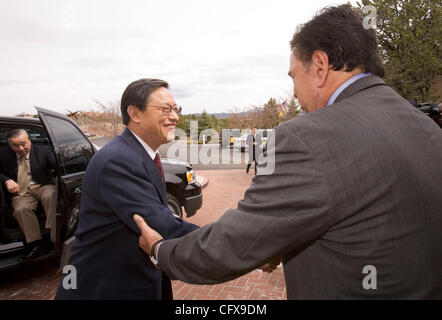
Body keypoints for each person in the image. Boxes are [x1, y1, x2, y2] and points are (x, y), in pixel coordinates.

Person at [133, 5, 442, 299]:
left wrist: (160, 250)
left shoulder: (304, 139)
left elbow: (231, 246)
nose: (293, 91)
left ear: (319, 67)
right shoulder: (426, 126)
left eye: (293, 75)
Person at [55, 78, 199, 300]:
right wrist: (242, 245)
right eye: (165, 109)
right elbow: (164, 225)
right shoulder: (118, 160)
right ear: (135, 113)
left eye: (175, 109)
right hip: (104, 289)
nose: (175, 116)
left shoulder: (142, 154)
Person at [0, 129, 56, 260]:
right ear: (9, 145)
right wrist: (6, 180)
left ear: (29, 140)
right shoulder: (3, 154)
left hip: (42, 184)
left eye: (23, 144)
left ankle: (51, 234)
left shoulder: (43, 150)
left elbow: (58, 164)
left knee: (51, 196)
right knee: (20, 209)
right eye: (15, 145)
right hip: (21, 190)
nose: (20, 148)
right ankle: (35, 243)